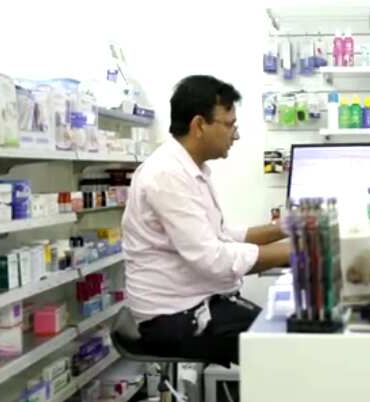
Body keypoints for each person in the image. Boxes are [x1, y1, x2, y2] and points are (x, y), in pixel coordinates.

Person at [122, 75, 290, 364]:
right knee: (283, 351)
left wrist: (288, 228)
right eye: (229, 125)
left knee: (285, 332)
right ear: (199, 125)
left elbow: (222, 236)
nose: (235, 135)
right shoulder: (166, 174)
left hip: (196, 303)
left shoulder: (189, 169)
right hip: (173, 317)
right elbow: (212, 258)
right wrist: (300, 251)